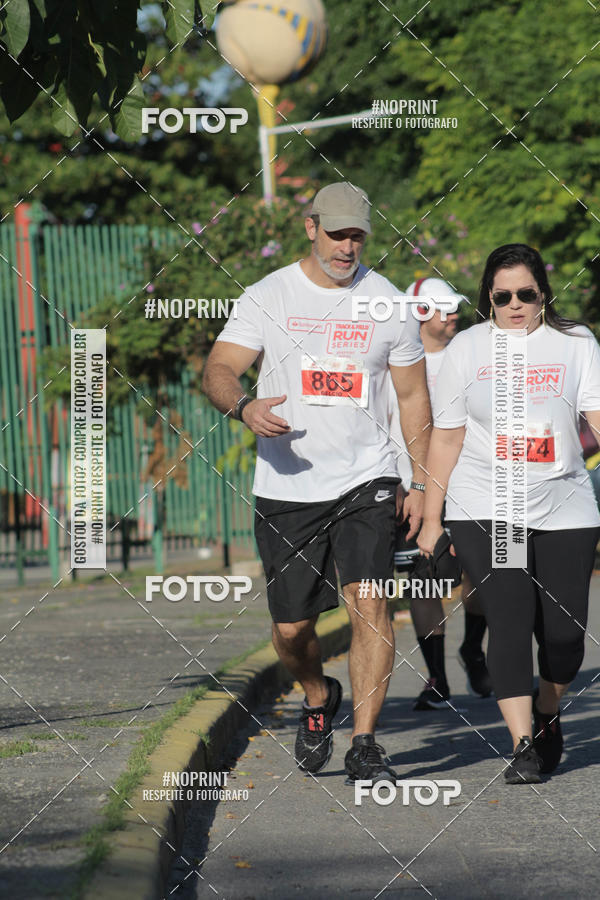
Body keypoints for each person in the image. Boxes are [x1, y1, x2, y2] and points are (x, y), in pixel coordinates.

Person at [202, 182, 431, 783]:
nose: (347, 246)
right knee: (291, 629)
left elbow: (412, 398)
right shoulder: (268, 295)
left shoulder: (387, 303)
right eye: (337, 234)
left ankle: (364, 741)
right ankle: (316, 695)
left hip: (369, 478)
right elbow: (220, 368)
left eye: (357, 235)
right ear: (311, 228)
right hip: (289, 485)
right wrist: (244, 406)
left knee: (371, 602)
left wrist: (421, 482)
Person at [418, 243, 600, 784]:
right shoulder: (467, 350)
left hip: (564, 502)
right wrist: (432, 518)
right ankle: (522, 743)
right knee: (510, 620)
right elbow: (446, 438)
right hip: (490, 507)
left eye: (526, 294)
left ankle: (547, 709)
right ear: (488, 300)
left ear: (543, 292)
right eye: (503, 297)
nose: (515, 305)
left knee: (565, 640)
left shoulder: (575, 343)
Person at [388, 278, 491, 710]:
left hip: (470, 481)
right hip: (412, 485)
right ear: (420, 313)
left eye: (454, 309)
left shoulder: (468, 355)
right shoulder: (393, 359)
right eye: (444, 309)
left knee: (482, 574)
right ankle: (438, 678)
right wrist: (395, 479)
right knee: (424, 578)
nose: (453, 316)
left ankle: (472, 649)